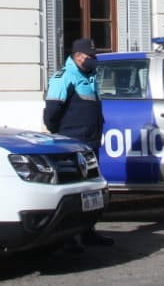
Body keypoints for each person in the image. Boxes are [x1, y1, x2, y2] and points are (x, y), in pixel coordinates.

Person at [43, 37, 114, 251]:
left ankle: (88, 231)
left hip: (90, 144)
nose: (93, 59)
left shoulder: (90, 77)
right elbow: (51, 115)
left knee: (91, 192)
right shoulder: (64, 77)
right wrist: (63, 136)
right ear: (78, 56)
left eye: (94, 55)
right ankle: (68, 238)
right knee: (74, 193)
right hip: (72, 146)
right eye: (90, 56)